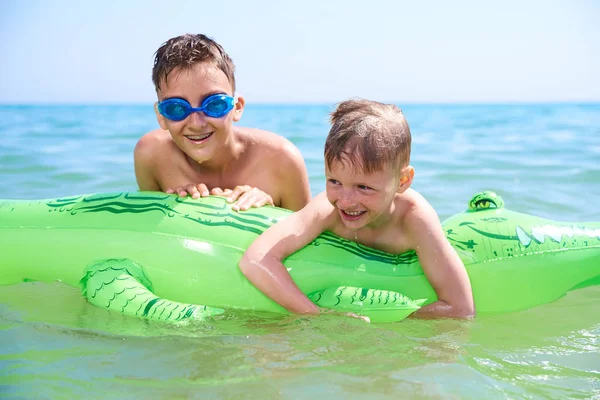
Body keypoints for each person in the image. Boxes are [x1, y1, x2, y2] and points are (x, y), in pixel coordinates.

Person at [239, 99, 475, 319]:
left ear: (402, 181)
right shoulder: (327, 210)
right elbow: (256, 259)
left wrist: (391, 327)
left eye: (363, 187)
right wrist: (316, 316)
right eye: (334, 181)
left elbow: (461, 307)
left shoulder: (414, 218)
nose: (346, 201)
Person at [134, 33, 311, 211]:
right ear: (161, 116)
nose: (196, 123)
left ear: (237, 107)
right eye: (177, 108)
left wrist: (270, 213)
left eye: (214, 104)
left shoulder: (281, 161)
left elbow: (308, 235)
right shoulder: (151, 155)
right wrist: (177, 206)